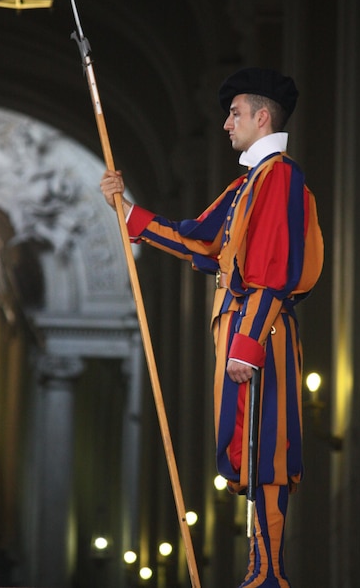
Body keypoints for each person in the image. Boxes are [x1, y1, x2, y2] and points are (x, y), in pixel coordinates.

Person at [100, 67, 323, 588]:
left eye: (235, 113)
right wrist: (126, 209)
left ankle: (269, 571)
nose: (226, 124)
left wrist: (248, 343)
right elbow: (199, 242)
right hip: (242, 332)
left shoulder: (281, 177)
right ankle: (258, 564)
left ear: (261, 117)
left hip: (260, 334)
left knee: (267, 450)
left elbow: (273, 265)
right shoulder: (246, 183)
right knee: (247, 450)